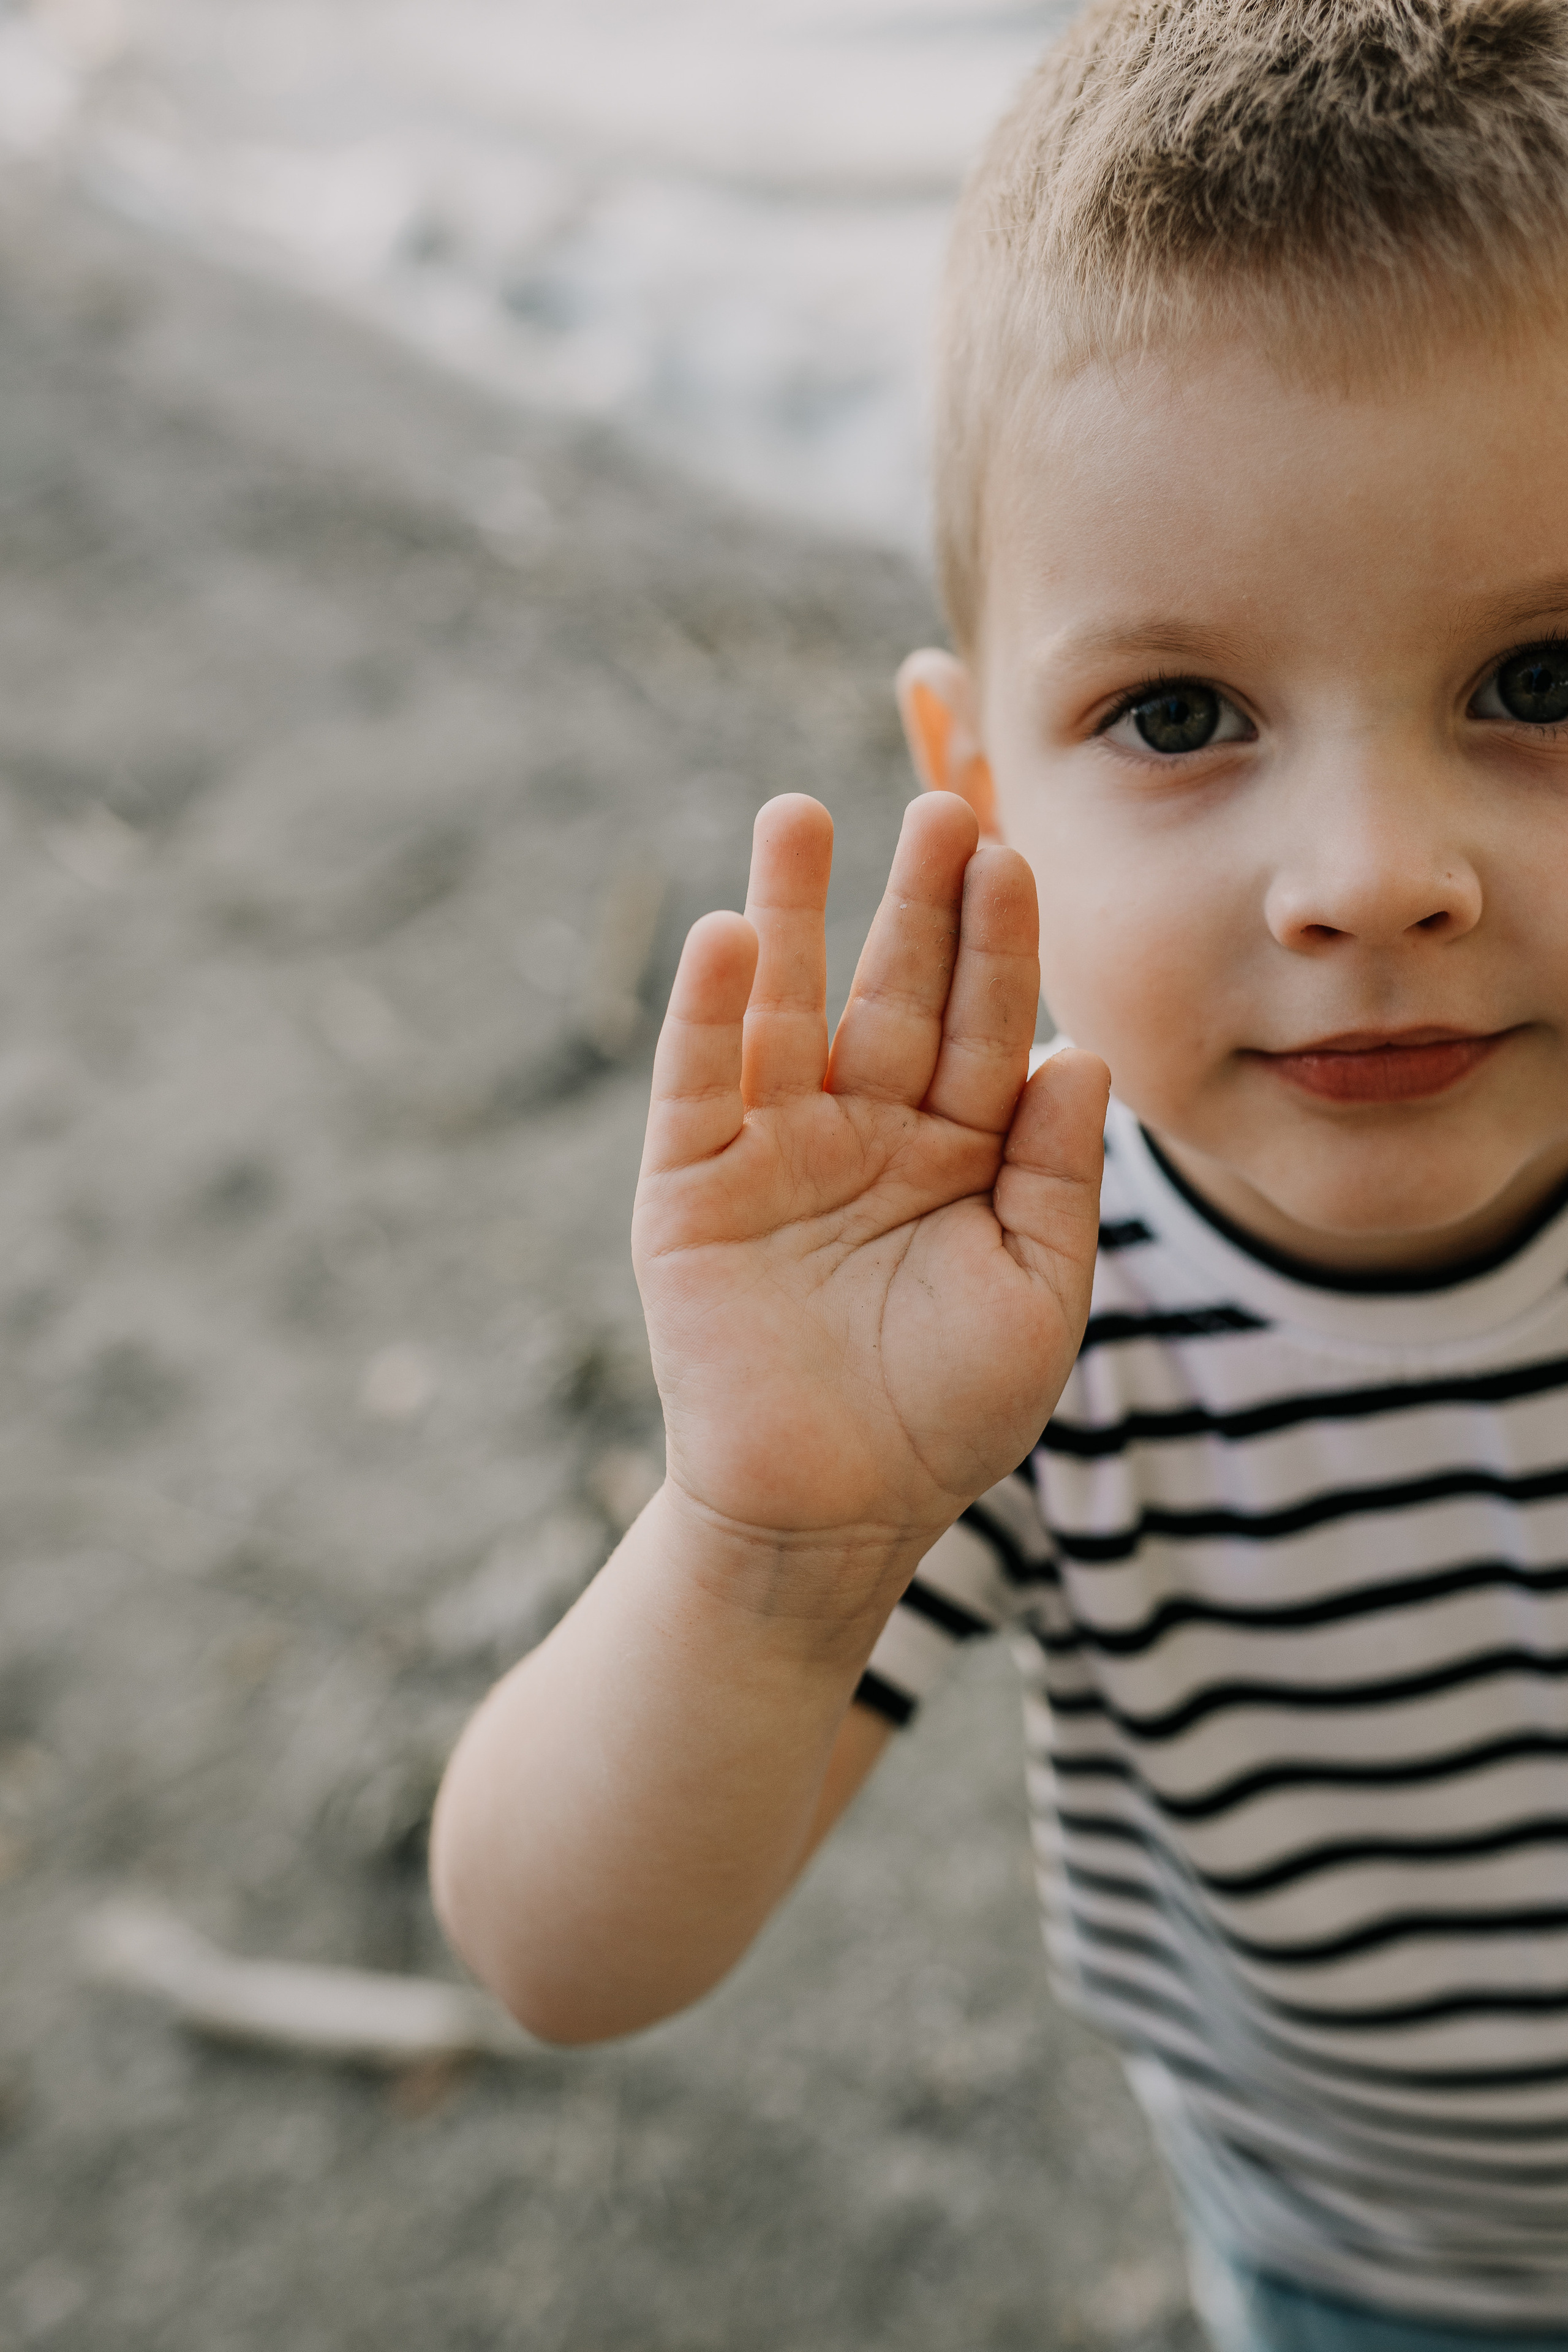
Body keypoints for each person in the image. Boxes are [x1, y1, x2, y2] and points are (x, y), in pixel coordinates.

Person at [429, 0, 1568, 2340]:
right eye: (1179, 716)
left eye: (1541, 684)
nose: (1371, 875)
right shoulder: (1014, 1330)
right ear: (981, 777)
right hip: (1381, 2286)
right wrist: (775, 1537)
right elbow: (563, 1952)